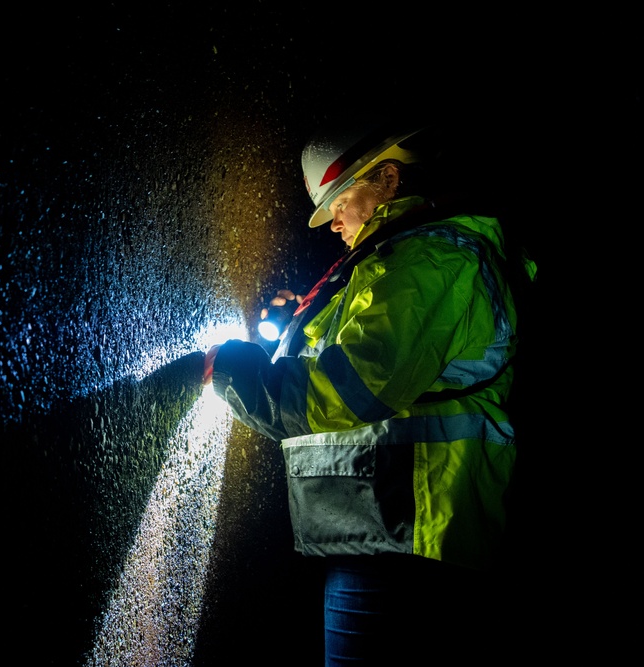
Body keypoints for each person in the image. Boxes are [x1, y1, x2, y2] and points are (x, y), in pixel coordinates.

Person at [202, 116, 536, 665]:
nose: (333, 225)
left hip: (412, 541)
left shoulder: (430, 259)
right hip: (381, 536)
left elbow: (349, 391)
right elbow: (351, 359)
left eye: (340, 202)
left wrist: (238, 375)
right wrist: (287, 329)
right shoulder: (390, 264)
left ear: (387, 179)